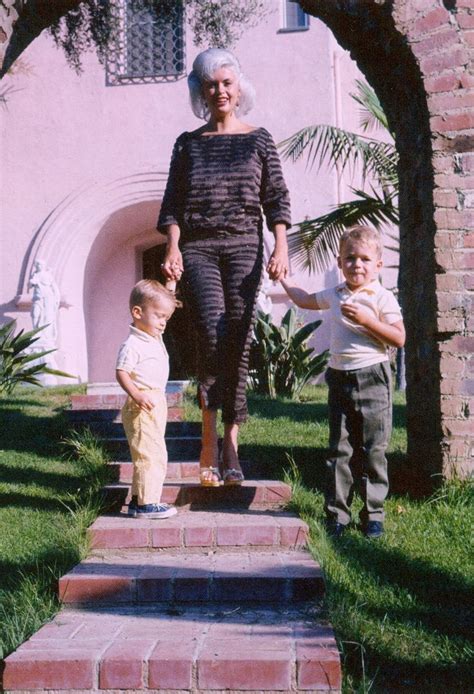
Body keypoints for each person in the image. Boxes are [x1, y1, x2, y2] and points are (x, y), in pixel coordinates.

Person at [158, 48, 291, 487]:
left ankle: (231, 442)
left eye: (227, 83)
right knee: (212, 335)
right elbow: (173, 205)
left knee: (238, 337)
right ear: (200, 90)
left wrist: (281, 248)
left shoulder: (259, 139)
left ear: (239, 87)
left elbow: (276, 199)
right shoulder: (188, 143)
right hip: (198, 249)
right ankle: (209, 440)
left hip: (244, 249)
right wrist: (173, 248)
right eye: (211, 84)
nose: (220, 91)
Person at [281, 225, 405, 539]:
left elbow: (399, 337)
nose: (357, 264)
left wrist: (368, 320)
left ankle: (373, 514)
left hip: (372, 376)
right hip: (339, 377)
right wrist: (283, 277)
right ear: (339, 261)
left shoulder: (381, 297)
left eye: (365, 259)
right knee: (340, 448)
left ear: (378, 265)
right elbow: (305, 300)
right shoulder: (335, 294)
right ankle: (337, 515)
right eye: (350, 258)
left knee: (373, 449)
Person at [116, 279, 180, 518]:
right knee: (150, 455)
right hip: (141, 405)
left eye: (166, 318)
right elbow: (121, 372)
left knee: (150, 452)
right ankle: (147, 504)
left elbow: (166, 300)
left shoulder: (152, 336)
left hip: (154, 403)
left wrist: (171, 282)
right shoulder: (133, 343)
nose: (163, 323)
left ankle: (136, 500)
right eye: (159, 317)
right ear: (137, 313)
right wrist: (136, 394)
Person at [29, 259, 60, 345]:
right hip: (37, 298)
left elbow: (54, 288)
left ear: (43, 266)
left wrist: (57, 298)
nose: (39, 266)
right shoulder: (35, 275)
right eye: (37, 265)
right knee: (35, 313)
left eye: (40, 265)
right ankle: (36, 332)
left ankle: (45, 335)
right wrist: (32, 282)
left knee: (47, 316)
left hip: (48, 298)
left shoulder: (48, 275)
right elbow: (30, 285)